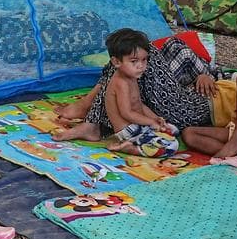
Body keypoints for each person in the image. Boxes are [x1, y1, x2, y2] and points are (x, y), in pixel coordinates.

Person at [55, 29, 180, 157]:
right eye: (134, 61)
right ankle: (130, 148)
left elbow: (139, 104)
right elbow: (127, 113)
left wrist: (155, 118)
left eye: (144, 60)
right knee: (171, 146)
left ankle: (139, 142)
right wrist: (150, 122)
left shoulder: (131, 77)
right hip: (129, 130)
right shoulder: (121, 83)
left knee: (172, 130)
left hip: (139, 126)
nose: (141, 66)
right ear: (116, 62)